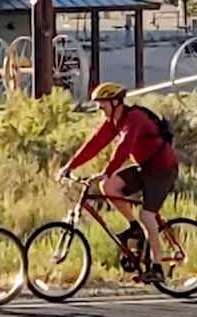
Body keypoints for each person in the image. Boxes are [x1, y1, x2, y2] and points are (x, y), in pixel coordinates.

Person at [57, 82, 178, 283]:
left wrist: (107, 171)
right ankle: (134, 227)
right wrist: (69, 166)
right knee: (109, 186)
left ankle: (158, 267)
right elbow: (93, 144)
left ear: (115, 102)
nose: (99, 110)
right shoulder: (113, 121)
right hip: (144, 168)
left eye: (101, 105)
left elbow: (124, 147)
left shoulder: (134, 118)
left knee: (147, 215)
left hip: (162, 169)